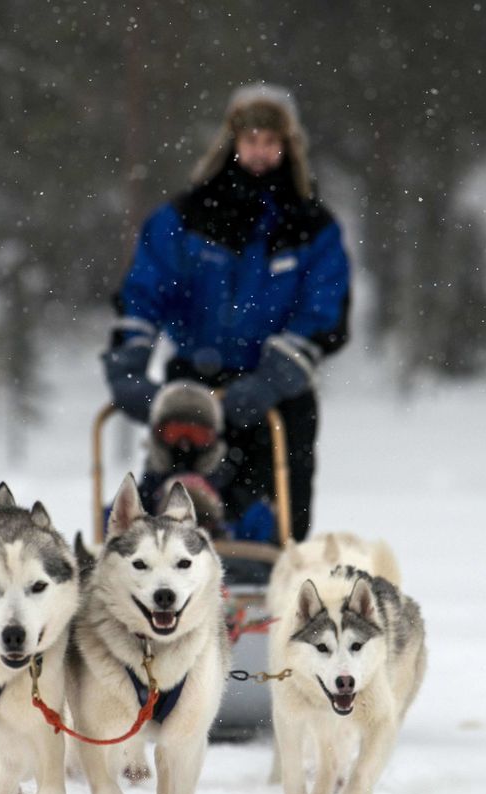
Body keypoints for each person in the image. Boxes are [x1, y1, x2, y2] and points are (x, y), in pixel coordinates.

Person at [103, 83, 351, 543]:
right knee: (168, 520)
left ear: (287, 146)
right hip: (193, 389)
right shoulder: (185, 217)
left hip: (278, 394)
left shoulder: (313, 227)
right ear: (233, 142)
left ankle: (268, 594)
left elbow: (324, 313)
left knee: (278, 529)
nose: (260, 152)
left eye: (270, 142)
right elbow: (144, 289)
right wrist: (128, 364)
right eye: (251, 140)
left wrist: (272, 379)